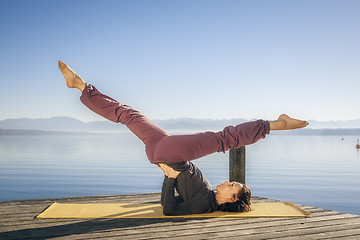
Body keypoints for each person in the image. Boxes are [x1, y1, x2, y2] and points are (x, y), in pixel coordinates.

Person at [58, 60, 308, 216]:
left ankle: (275, 125)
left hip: (170, 156)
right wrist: (169, 175)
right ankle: (81, 87)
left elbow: (170, 210)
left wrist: (169, 179)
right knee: (128, 114)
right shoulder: (207, 196)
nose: (228, 181)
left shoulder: (205, 205)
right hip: (162, 150)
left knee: (224, 139)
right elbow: (177, 201)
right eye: (233, 182)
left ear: (232, 198)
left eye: (233, 185)